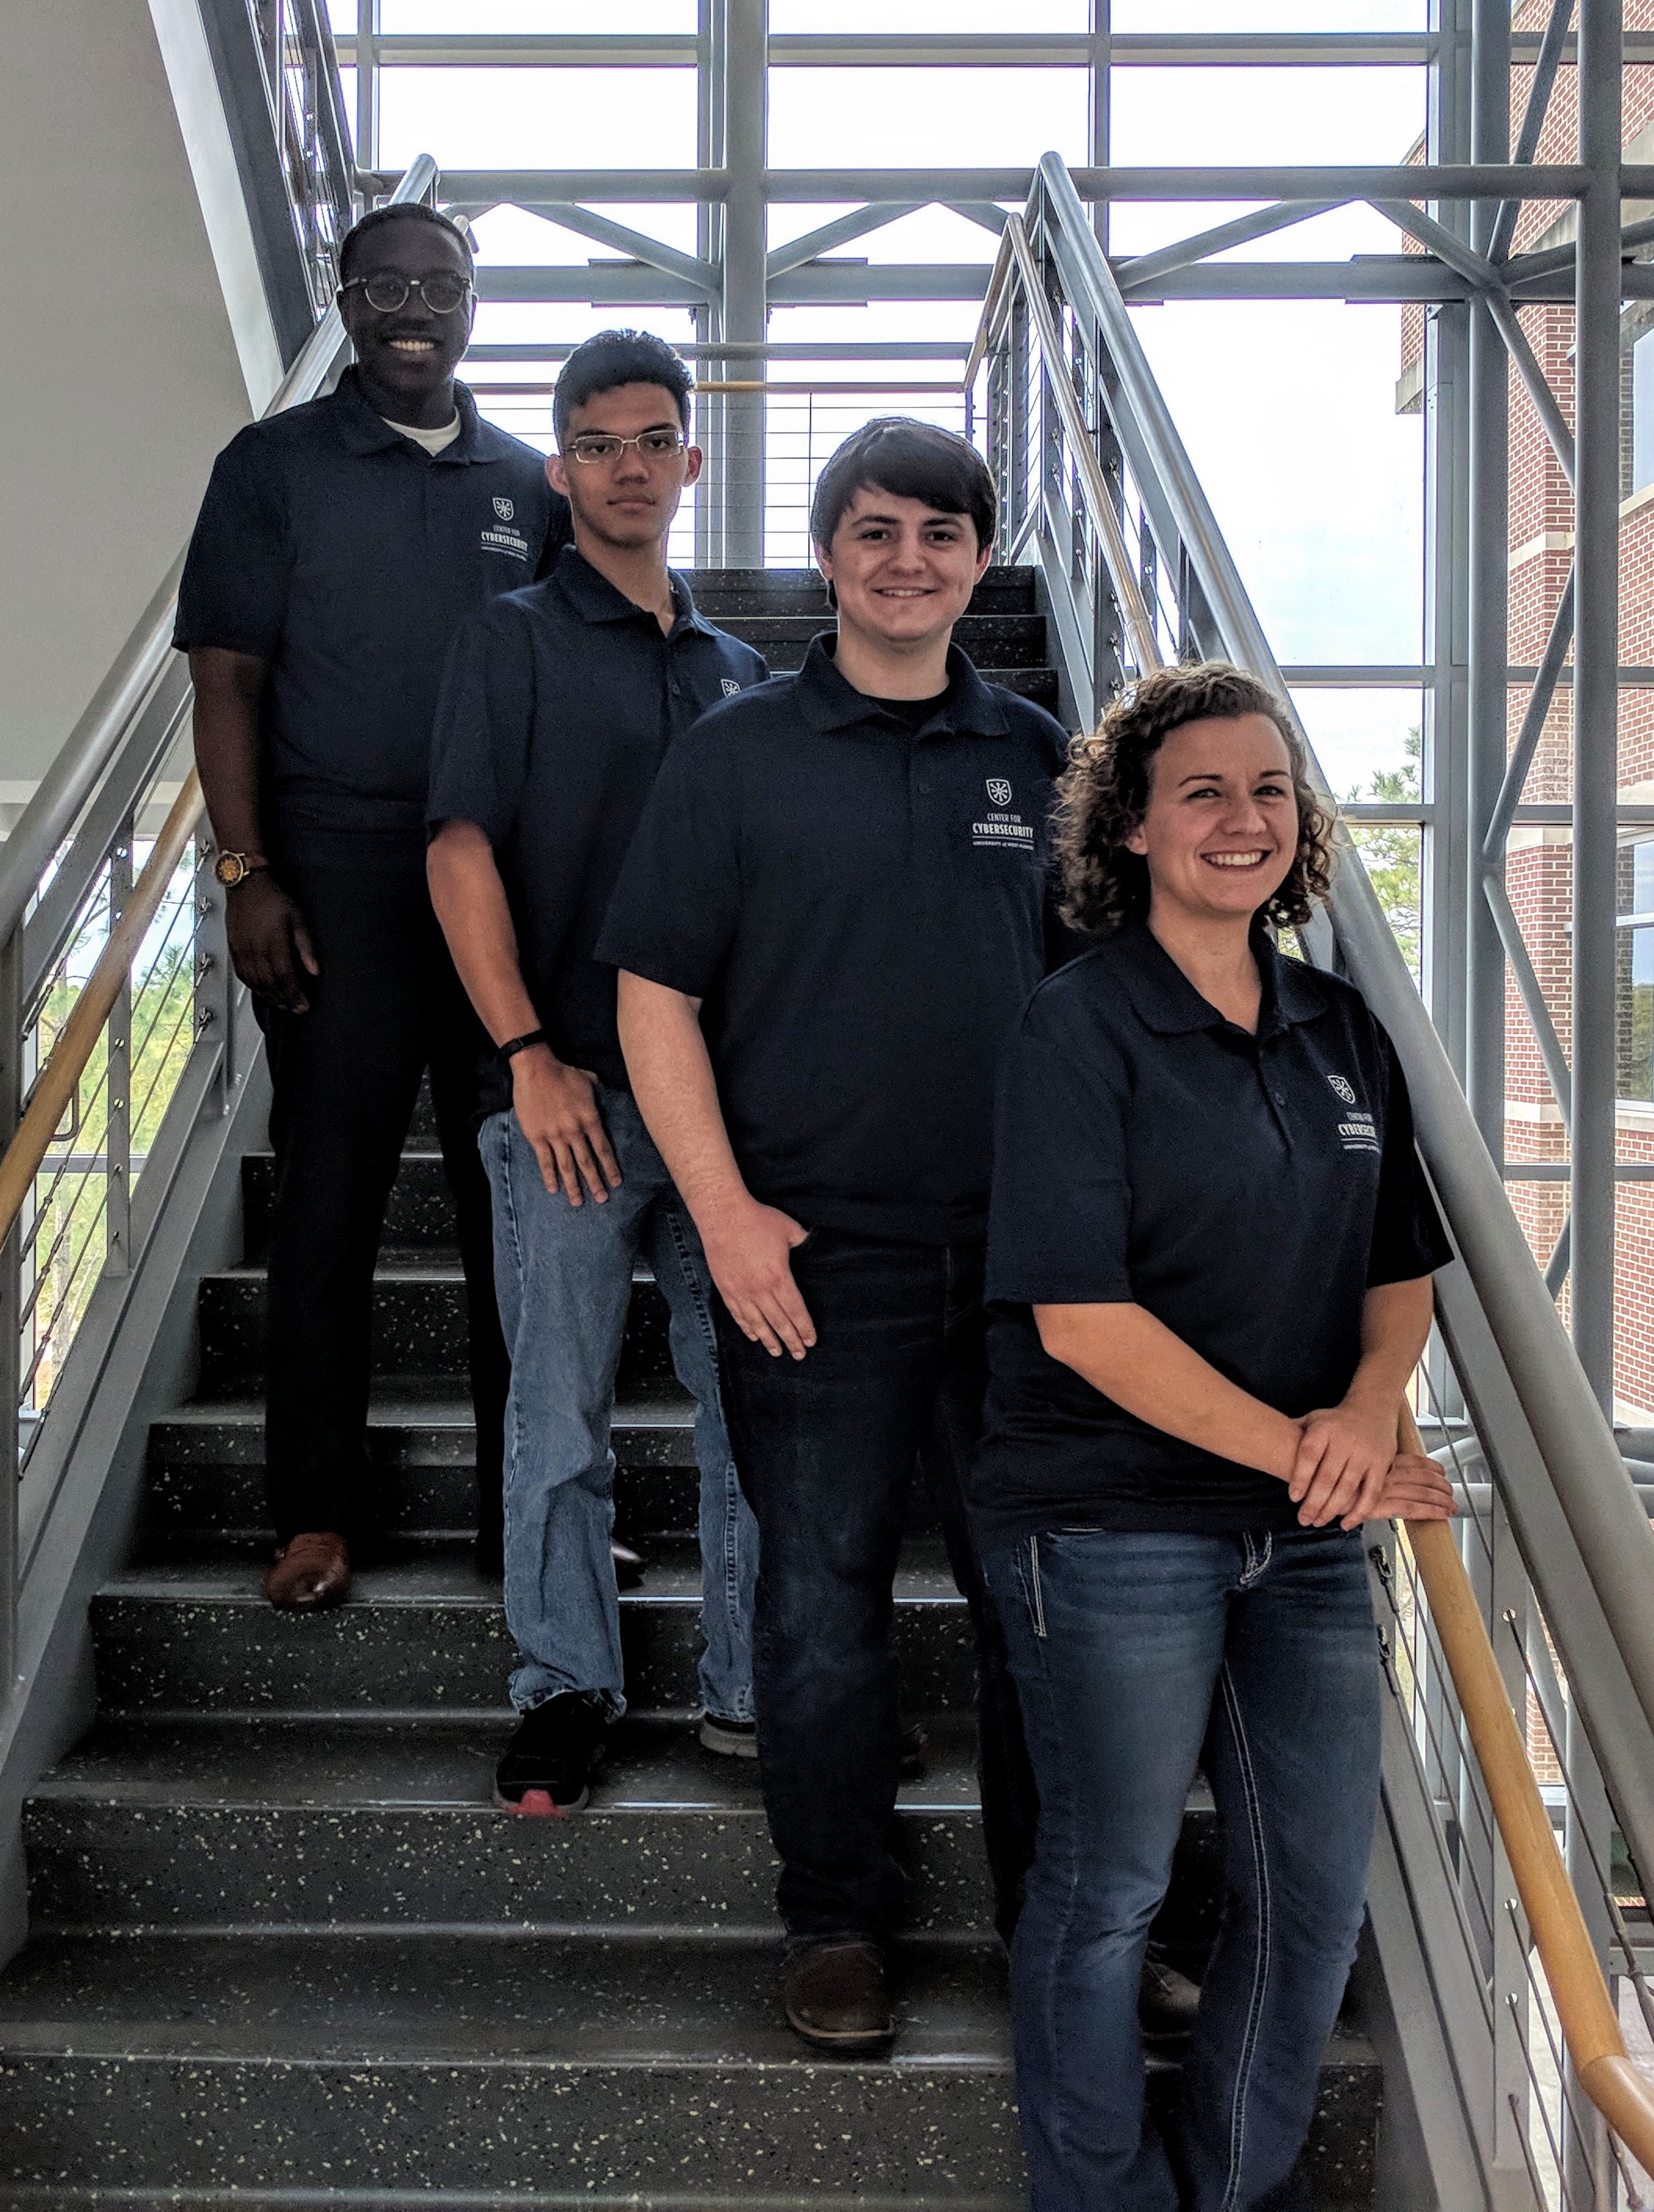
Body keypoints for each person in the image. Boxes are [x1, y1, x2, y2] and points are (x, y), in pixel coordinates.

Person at [597, 417, 1068, 2053]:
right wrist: (722, 1217)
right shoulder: (735, 754)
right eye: (874, 532)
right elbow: (653, 993)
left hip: (1028, 1277)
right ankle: (836, 1920)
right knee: (816, 1602)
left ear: (980, 560)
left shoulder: (1038, 755)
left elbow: (1106, 1007)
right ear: (824, 556)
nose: (908, 560)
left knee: (1042, 1606)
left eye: (941, 534)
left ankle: (1064, 1926)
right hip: (812, 1264)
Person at [969, 661, 1458, 2212]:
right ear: (1129, 828)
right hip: (1113, 1521)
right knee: (1110, 1888)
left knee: (1311, 1896)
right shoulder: (1078, 1025)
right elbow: (1078, 1316)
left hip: (1306, 1531)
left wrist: (1367, 1413)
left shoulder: (1337, 1028)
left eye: (1268, 790)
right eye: (1203, 791)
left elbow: (1399, 1274)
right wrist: (1308, 1449)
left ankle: (1230, 2185)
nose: (1243, 818)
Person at [175, 201, 574, 1611]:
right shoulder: (273, 467)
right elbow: (225, 677)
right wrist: (246, 871)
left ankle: (523, 1514)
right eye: (387, 283)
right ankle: (315, 1516)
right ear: (344, 300)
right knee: (330, 1204)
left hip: (498, 898)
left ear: (478, 301)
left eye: (443, 284)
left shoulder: (531, 485)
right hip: (332, 880)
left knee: (513, 1218)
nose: (415, 305)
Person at [426, 330, 766, 1814]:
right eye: (598, 442)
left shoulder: (747, 674)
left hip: (723, 1114)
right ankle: (565, 1684)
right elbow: (457, 850)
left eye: (654, 439)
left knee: (751, 1406)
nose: (629, 465)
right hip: (565, 1092)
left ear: (692, 460)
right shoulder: (510, 637)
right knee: (557, 1410)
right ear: (559, 470)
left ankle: (757, 1685)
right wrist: (523, 1055)